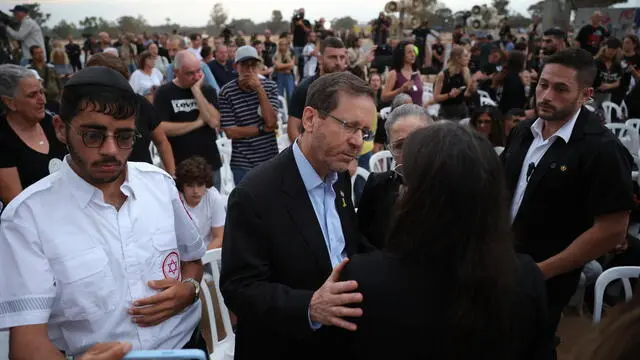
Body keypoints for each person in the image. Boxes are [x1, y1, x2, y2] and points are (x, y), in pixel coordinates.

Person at [0, 66, 207, 359]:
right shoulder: (27, 218)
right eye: (93, 135)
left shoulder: (159, 185)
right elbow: (27, 344)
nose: (111, 150)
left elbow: (192, 258)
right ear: (61, 128)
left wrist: (190, 288)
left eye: (124, 137)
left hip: (186, 349)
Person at [342, 122, 553, 360]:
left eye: (405, 182)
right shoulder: (525, 277)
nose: (400, 192)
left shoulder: (362, 280)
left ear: (419, 198)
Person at [220, 72, 376, 360]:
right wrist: (310, 306)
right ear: (309, 119)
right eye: (349, 126)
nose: (358, 142)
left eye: (364, 132)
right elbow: (239, 288)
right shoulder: (254, 194)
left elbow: (343, 248)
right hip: (283, 345)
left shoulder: (338, 176)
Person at [502, 48, 633, 353]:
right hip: (499, 265)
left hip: (546, 280)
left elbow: (612, 229)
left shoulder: (602, 150)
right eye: (543, 84)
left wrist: (540, 271)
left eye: (561, 89)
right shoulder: (523, 132)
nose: (546, 95)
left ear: (586, 94)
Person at [86, 53, 176, 176]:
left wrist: (172, 177)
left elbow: (162, 142)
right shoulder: (82, 112)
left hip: (142, 181)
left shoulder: (140, 104)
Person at [358, 104, 432, 249]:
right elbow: (362, 240)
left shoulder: (450, 188)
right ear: (389, 149)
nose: (410, 152)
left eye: (417, 142)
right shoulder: (377, 186)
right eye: (400, 146)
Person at [0, 64, 67, 205]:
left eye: (41, 92)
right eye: (32, 95)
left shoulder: (52, 123)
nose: (43, 100)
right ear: (10, 103)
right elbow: (16, 203)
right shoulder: (3, 139)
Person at [154, 50, 222, 188]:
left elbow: (214, 121)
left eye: (198, 71)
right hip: (180, 166)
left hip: (209, 164)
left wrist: (196, 91)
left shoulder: (207, 90)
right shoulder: (164, 93)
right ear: (176, 72)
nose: (196, 77)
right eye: (190, 73)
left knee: (212, 208)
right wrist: (197, 123)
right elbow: (161, 128)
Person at [218, 45, 280, 185]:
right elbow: (230, 132)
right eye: (245, 65)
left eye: (253, 66)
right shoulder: (227, 92)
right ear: (236, 67)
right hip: (242, 161)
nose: (250, 71)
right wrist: (262, 129)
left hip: (269, 158)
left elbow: (271, 122)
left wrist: (259, 89)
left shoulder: (269, 87)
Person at [288, 37, 348, 142]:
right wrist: (306, 154)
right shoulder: (305, 88)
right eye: (333, 57)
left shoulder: (349, 88)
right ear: (320, 58)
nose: (338, 62)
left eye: (342, 57)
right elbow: (293, 128)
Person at [176, 156, 225, 250]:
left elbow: (219, 237)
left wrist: (202, 258)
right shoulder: (174, 201)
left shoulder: (214, 197)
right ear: (182, 186)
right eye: (190, 186)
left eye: (200, 185)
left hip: (207, 252)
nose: (196, 191)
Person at [433, 46, 476, 120]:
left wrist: (472, 85)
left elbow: (468, 94)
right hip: (447, 113)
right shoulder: (443, 75)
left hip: (462, 111)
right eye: (465, 56)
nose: (469, 58)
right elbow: (436, 98)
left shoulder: (466, 72)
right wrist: (449, 95)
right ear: (457, 58)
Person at [381, 40, 423, 106]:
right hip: (401, 114)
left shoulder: (417, 72)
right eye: (409, 52)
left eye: (414, 51)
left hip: (417, 113)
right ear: (402, 55)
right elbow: (383, 97)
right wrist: (400, 90)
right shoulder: (394, 73)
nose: (413, 55)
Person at [26, 45, 62, 114]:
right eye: (37, 53)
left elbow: (59, 83)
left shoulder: (51, 67)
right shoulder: (29, 70)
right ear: (32, 55)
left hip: (54, 99)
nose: (41, 55)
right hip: (38, 101)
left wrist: (60, 96)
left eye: (41, 52)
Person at [593, 38, 622, 111]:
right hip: (594, 94)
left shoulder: (617, 65)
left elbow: (618, 82)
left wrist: (608, 86)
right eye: (609, 48)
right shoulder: (596, 62)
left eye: (614, 49)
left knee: (605, 116)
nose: (611, 51)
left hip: (608, 95)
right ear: (604, 48)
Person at [272, 37, 296, 103]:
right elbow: (277, 66)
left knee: (290, 94)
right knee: (279, 95)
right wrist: (286, 67)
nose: (283, 46)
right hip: (279, 76)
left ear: (287, 45)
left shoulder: (291, 53)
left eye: (285, 44)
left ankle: (290, 111)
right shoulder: (276, 54)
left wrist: (281, 68)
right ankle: (281, 112)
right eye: (281, 44)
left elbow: (292, 66)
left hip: (289, 76)